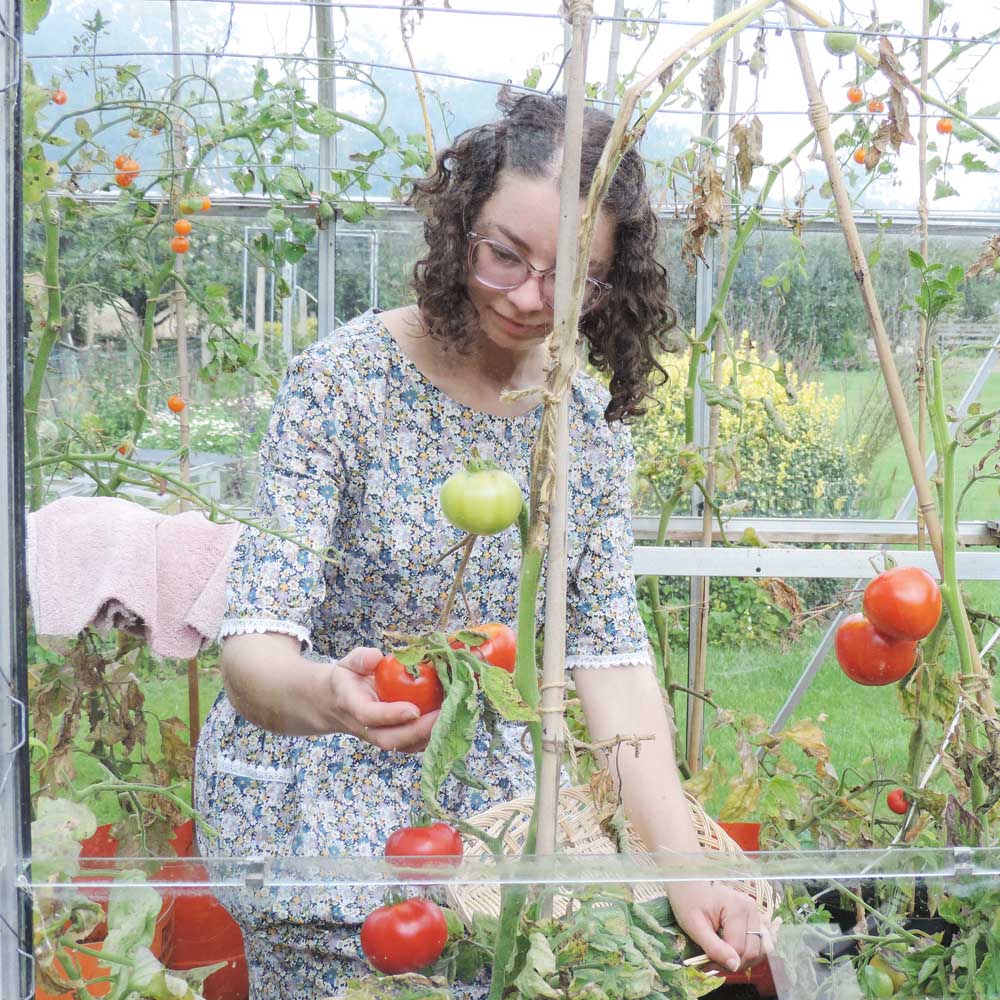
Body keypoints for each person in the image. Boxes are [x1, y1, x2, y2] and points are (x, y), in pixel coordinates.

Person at [194, 89, 766, 1000]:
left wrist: (686, 869)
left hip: (492, 823)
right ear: (462, 228)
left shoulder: (582, 420)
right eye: (505, 255)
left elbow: (611, 662)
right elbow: (253, 653)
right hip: (321, 802)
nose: (530, 298)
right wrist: (334, 696)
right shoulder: (344, 384)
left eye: (571, 275)